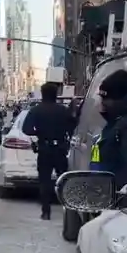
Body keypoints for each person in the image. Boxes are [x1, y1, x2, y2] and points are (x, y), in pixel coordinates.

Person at [24, 82, 78, 220]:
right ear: (56, 94)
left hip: (44, 149)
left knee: (44, 181)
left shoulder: (36, 110)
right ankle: (69, 211)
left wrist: (39, 132)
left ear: (42, 94)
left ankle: (46, 212)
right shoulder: (63, 110)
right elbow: (73, 126)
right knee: (64, 181)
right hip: (60, 149)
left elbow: (26, 129)